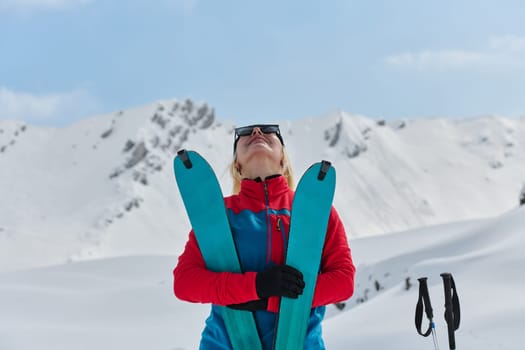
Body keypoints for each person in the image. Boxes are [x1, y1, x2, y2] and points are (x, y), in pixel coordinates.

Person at [173, 124, 355, 349]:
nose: (257, 132)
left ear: (283, 158)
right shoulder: (221, 216)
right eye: (245, 134)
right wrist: (256, 286)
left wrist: (270, 299)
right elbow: (185, 282)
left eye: (269, 131)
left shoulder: (316, 212)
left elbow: (343, 281)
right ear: (237, 164)